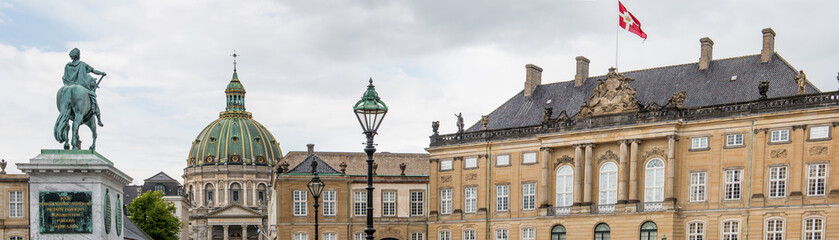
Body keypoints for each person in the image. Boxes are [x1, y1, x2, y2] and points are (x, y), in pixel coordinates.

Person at [62, 48, 106, 126]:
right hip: (82, 86)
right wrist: (102, 73)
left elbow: (64, 77)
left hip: (68, 86)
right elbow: (94, 71)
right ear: (78, 56)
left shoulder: (67, 66)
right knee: (93, 99)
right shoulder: (82, 64)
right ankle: (99, 119)